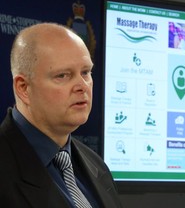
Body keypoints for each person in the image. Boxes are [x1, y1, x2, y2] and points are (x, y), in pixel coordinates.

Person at [0, 23, 123, 208]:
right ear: (23, 88)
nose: (82, 86)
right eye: (63, 75)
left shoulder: (97, 164)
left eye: (86, 72)